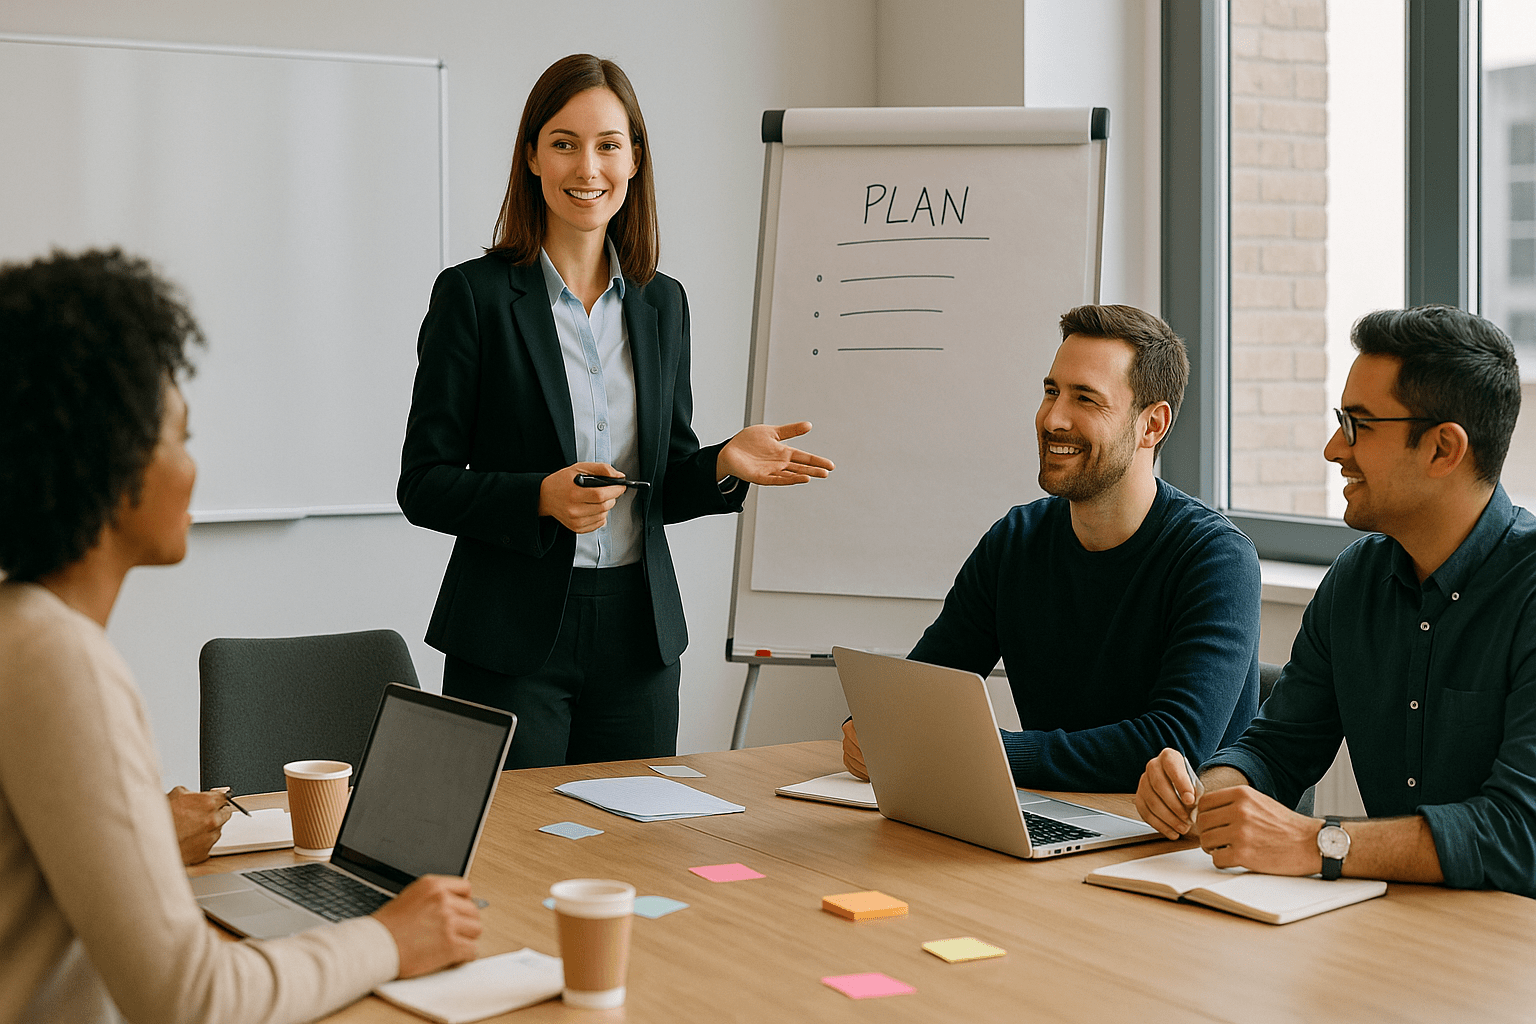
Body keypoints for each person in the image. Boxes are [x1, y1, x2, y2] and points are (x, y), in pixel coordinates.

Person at [0, 248, 481, 1023]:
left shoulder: (18, 633)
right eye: (180, 439)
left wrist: (144, 837)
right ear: (112, 461)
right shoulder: (60, 662)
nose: (194, 468)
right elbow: (191, 1001)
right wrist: (391, 937)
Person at [398, 54, 832, 769]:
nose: (587, 167)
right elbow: (423, 483)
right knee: (520, 856)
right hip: (511, 639)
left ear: (634, 159)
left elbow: (662, 484)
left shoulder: (664, 303)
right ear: (533, 156)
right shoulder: (472, 298)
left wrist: (723, 463)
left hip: (639, 638)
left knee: (633, 853)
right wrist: (540, 496)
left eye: (608, 144)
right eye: (564, 143)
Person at [1134, 305, 1536, 897]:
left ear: (1444, 449)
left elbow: (1519, 833)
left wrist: (1312, 842)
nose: (1332, 449)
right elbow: (1277, 751)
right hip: (1394, 928)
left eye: (1357, 426)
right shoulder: (1355, 580)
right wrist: (1204, 792)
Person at [842, 304, 1262, 792]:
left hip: (1172, 847)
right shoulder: (1015, 541)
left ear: (1152, 425)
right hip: (1049, 818)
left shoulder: (1216, 559)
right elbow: (919, 694)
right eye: (1051, 392)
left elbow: (1171, 744)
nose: (1053, 418)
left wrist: (974, 752)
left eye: (1086, 399)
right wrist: (872, 727)